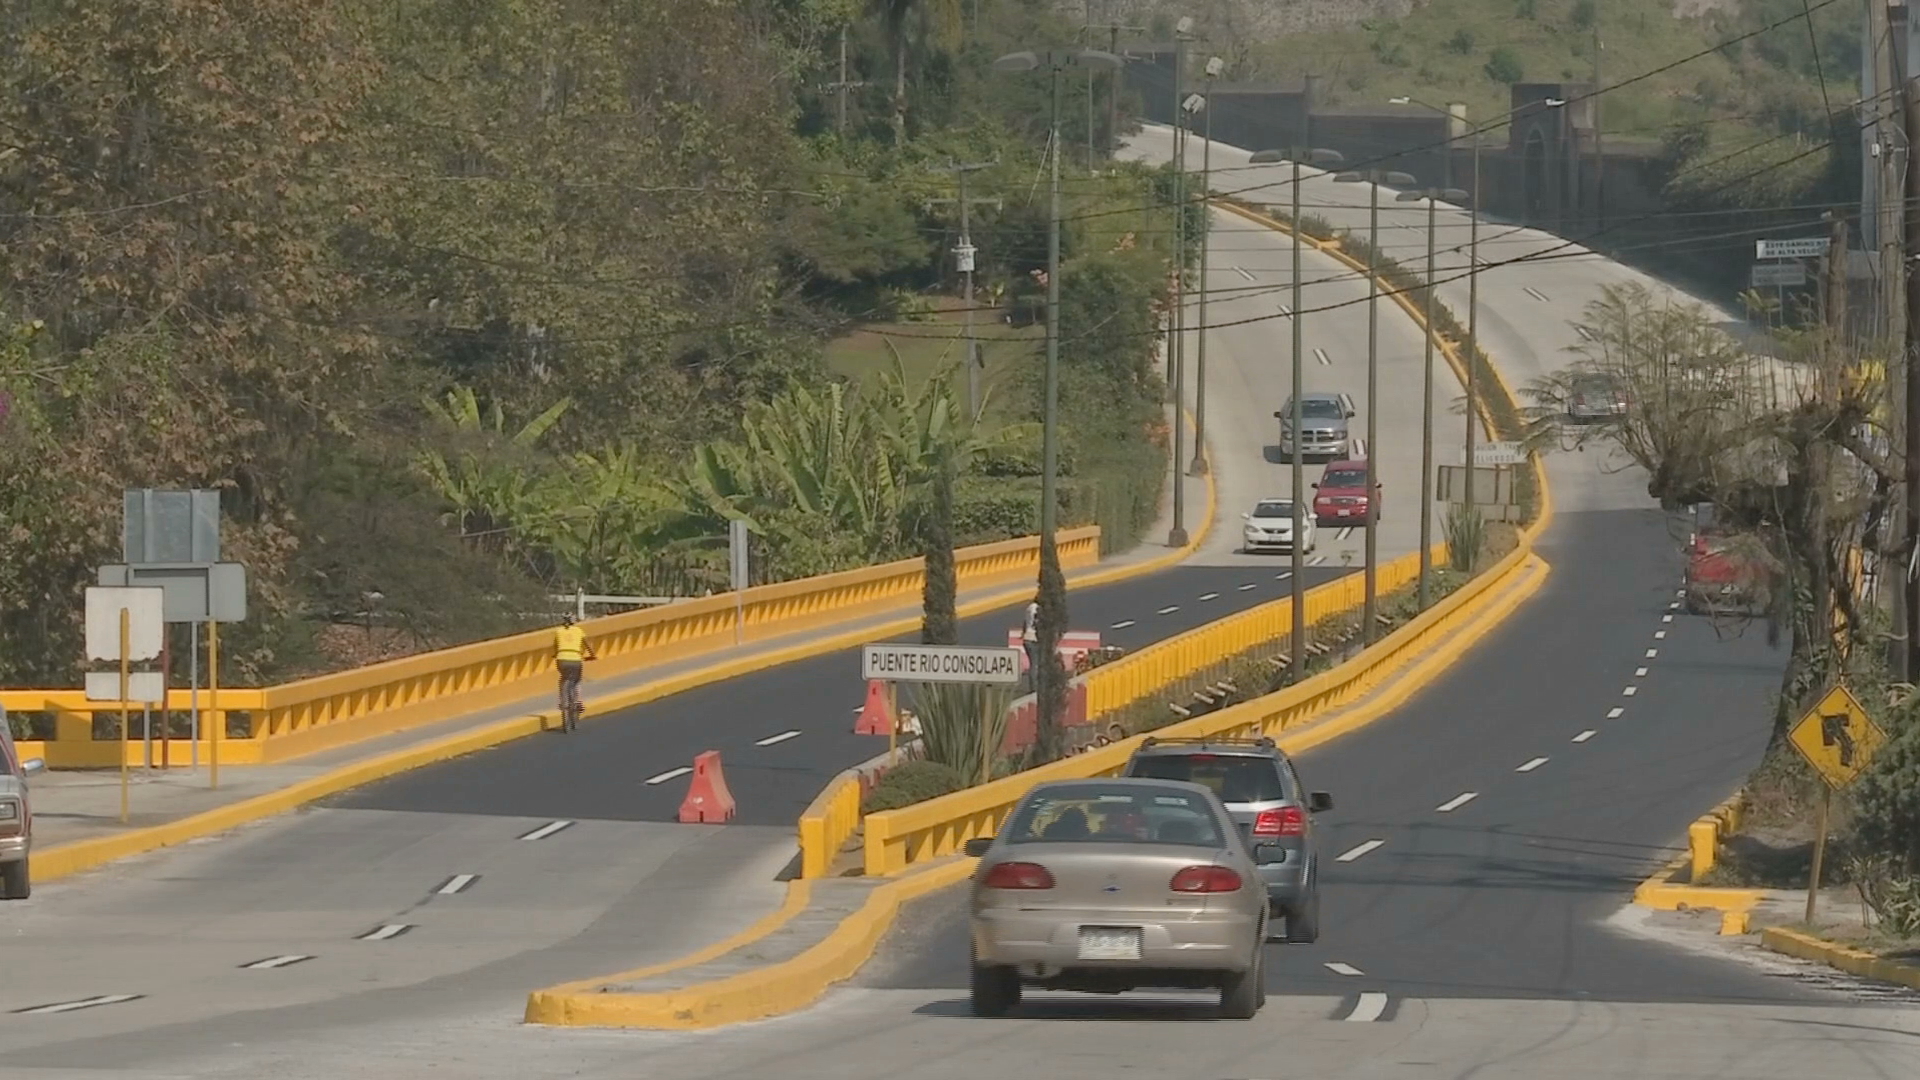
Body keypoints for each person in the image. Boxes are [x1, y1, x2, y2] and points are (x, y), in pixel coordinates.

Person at [553, 614, 597, 729]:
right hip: (576, 659)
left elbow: (555, 647)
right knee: (576, 681)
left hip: (561, 659)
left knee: (563, 678)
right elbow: (588, 646)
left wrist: (555, 655)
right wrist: (592, 655)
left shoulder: (558, 631)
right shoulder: (579, 631)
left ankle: (563, 702)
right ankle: (577, 702)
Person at [1020, 598, 1041, 691]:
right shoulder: (1038, 609)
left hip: (1027, 638)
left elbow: (1025, 624)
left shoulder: (1028, 608)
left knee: (1033, 663)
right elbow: (1037, 623)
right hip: (1034, 638)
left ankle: (1033, 685)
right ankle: (1034, 687)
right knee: (1035, 663)